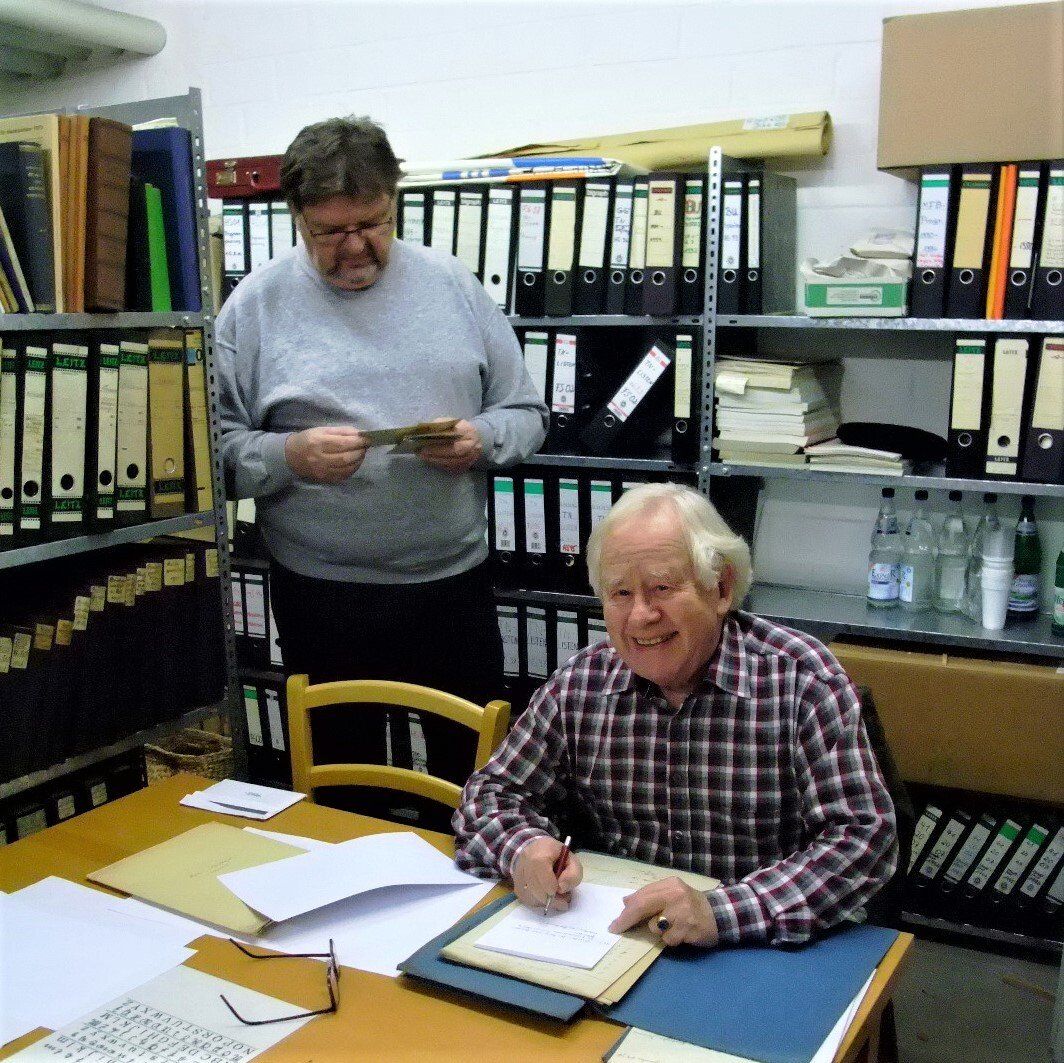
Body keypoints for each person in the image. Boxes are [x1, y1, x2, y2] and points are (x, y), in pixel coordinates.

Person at [216, 116, 548, 789]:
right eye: (329, 232)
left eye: (372, 223)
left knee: (474, 784)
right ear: (296, 218)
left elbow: (527, 415)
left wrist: (480, 440)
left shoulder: (453, 285)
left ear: (393, 203)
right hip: (321, 594)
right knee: (343, 787)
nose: (355, 247)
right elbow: (212, 454)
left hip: (450, 586)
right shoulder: (253, 308)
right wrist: (288, 455)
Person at [454, 483, 897, 946]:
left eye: (661, 588)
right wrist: (524, 848)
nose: (640, 616)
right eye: (620, 593)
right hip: (611, 937)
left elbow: (863, 839)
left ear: (721, 588)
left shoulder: (800, 682)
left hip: (754, 945)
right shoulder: (582, 683)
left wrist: (723, 912)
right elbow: (490, 794)